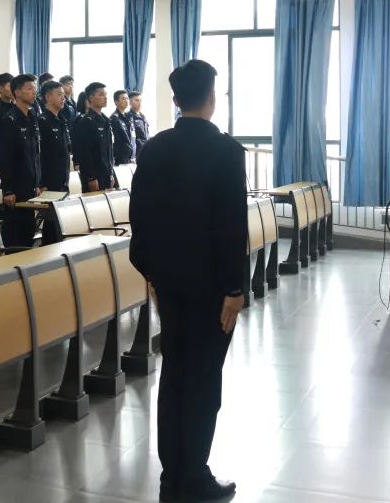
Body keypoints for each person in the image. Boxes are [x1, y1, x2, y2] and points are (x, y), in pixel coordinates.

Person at [129, 59, 246, 503]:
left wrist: (152, 274)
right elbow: (230, 227)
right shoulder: (226, 151)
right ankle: (193, 475)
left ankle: (171, 476)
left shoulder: (154, 148)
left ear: (176, 99)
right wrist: (234, 288)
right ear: (211, 98)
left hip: (169, 284)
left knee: (175, 374)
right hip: (211, 289)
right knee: (203, 380)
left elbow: (140, 218)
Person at [0, 74, 41, 248]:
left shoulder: (32, 117)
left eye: (34, 88)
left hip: (31, 184)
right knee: (16, 235)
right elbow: (6, 157)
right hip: (16, 187)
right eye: (29, 88)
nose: (34, 92)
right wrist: (8, 189)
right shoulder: (10, 120)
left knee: (29, 232)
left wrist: (38, 183)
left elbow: (35, 154)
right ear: (17, 92)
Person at [38, 80, 71, 244]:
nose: (63, 98)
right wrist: (42, 182)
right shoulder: (42, 121)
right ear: (48, 97)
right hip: (49, 181)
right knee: (51, 224)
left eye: (63, 95)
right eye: (59, 94)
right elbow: (40, 155)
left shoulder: (62, 120)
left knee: (60, 223)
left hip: (62, 179)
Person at [72, 82, 115, 191]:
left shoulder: (106, 120)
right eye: (101, 94)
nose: (105, 97)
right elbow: (85, 152)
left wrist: (111, 173)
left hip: (106, 173)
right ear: (91, 98)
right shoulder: (86, 121)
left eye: (105, 94)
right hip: (94, 176)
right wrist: (91, 177)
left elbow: (109, 150)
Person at [111, 89, 137, 165]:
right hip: (121, 159)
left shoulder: (129, 117)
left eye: (127, 98)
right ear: (116, 102)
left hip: (132, 158)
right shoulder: (114, 119)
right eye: (123, 99)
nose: (126, 101)